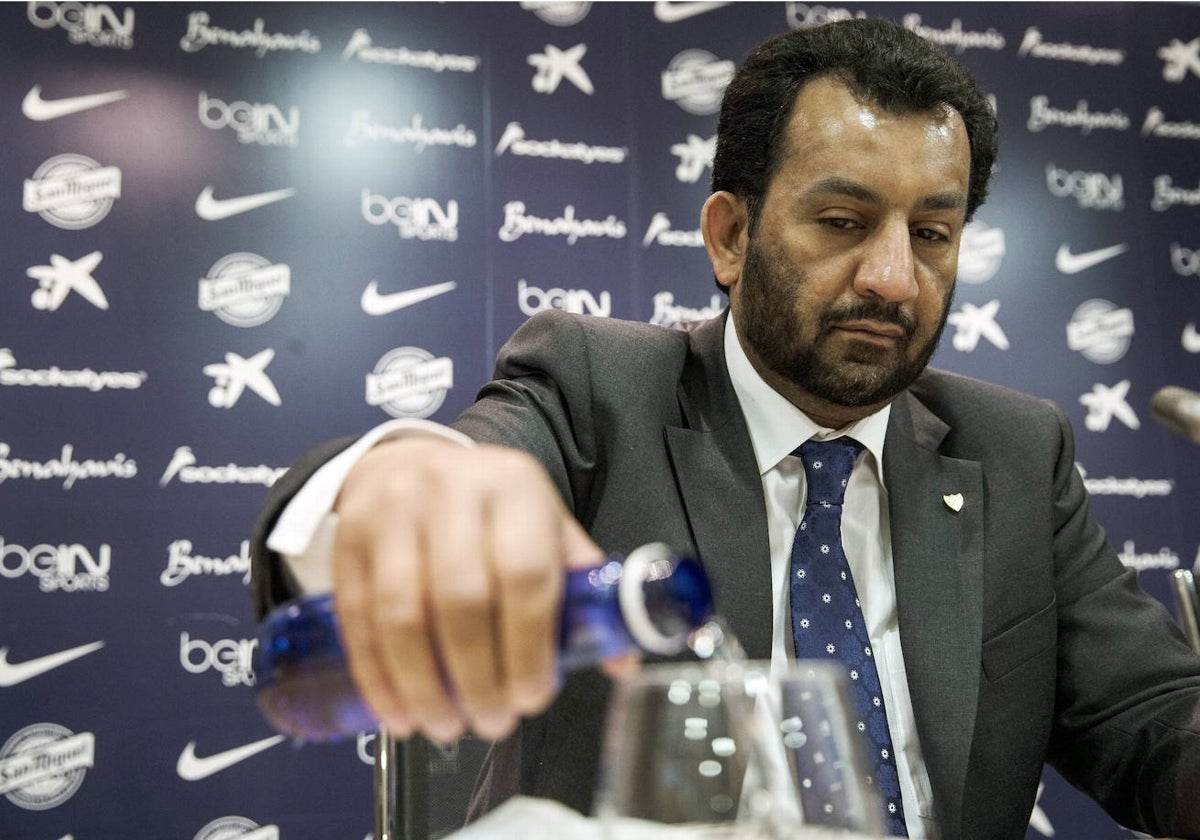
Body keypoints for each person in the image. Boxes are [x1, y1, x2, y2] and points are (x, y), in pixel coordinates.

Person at [251, 17, 1200, 840]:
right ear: (729, 237)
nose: (893, 278)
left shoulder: (1015, 449)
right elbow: (452, 474)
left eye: (932, 234)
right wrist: (405, 477)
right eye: (841, 220)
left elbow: (1154, 718)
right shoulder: (598, 386)